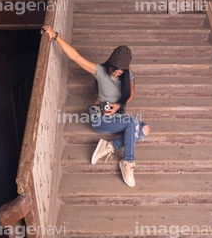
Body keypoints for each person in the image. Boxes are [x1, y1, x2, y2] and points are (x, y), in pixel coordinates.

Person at [41, 26, 150, 187]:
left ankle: (109, 146)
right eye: (114, 71)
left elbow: (132, 94)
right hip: (101, 118)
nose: (115, 74)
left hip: (116, 116)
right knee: (132, 123)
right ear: (109, 65)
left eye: (120, 74)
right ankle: (128, 162)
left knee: (143, 130)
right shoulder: (100, 71)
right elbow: (76, 57)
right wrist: (55, 36)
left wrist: (118, 105)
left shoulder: (129, 75)